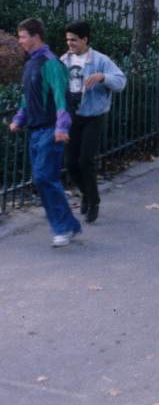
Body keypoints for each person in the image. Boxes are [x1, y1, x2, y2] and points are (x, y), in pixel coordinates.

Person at [9, 17, 81, 247]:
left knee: (43, 178)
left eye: (22, 36)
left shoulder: (51, 63)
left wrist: (62, 127)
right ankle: (68, 225)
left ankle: (63, 227)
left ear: (35, 36)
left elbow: (62, 97)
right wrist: (20, 118)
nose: (19, 41)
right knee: (43, 179)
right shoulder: (31, 63)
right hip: (36, 130)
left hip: (50, 130)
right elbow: (27, 96)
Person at [61, 20, 127, 223]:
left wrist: (102, 77)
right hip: (73, 116)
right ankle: (87, 194)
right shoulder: (64, 60)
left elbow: (121, 81)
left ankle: (94, 201)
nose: (70, 44)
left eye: (74, 40)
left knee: (86, 160)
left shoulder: (100, 60)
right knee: (71, 163)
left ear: (85, 40)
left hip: (93, 116)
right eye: (68, 40)